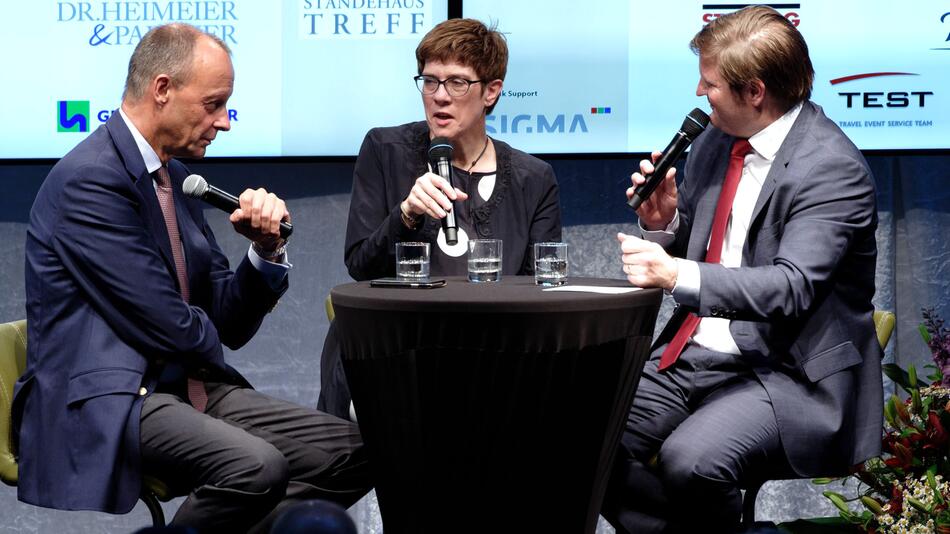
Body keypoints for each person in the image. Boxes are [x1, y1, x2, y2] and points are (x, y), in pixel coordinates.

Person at [13, 24, 370, 533]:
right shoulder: (89, 181)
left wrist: (265, 250)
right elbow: (172, 325)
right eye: (213, 104)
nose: (224, 122)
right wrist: (205, 327)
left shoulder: (176, 177)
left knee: (358, 453)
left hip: (184, 385)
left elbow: (226, 320)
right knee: (256, 467)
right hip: (110, 397)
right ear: (162, 89)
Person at [602, 7, 882, 533]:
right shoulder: (713, 140)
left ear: (754, 92)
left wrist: (672, 273)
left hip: (786, 371)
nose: (698, 92)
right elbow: (711, 249)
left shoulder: (831, 169)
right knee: (581, 442)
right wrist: (665, 224)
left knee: (693, 461)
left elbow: (791, 287)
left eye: (709, 83)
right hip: (694, 354)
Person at [318, 18, 562, 418]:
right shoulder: (385, 149)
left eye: (457, 82)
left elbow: (542, 292)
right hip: (394, 350)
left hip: (490, 358)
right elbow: (361, 267)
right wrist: (407, 214)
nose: (440, 97)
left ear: (491, 92)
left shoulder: (533, 179)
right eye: (430, 81)